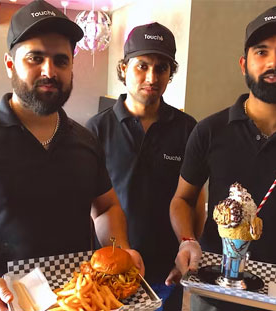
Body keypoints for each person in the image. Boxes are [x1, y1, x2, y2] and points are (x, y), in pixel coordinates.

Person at [0, 1, 143, 311]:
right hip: (0, 304)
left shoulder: (86, 141)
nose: (49, 71)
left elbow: (106, 207)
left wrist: (120, 251)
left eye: (61, 60)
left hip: (78, 301)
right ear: (10, 64)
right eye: (35, 58)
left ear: (71, 67)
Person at [168, 6, 276, 310]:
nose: (274, 62)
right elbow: (183, 200)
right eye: (261, 52)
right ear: (244, 63)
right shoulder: (210, 131)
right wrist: (187, 239)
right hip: (215, 288)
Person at [86, 22, 205, 310]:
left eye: (162, 68)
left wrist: (188, 249)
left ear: (170, 74)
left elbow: (196, 201)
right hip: (111, 266)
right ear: (124, 68)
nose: (152, 76)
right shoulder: (96, 129)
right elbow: (92, 202)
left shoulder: (188, 129)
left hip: (167, 268)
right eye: (142, 66)